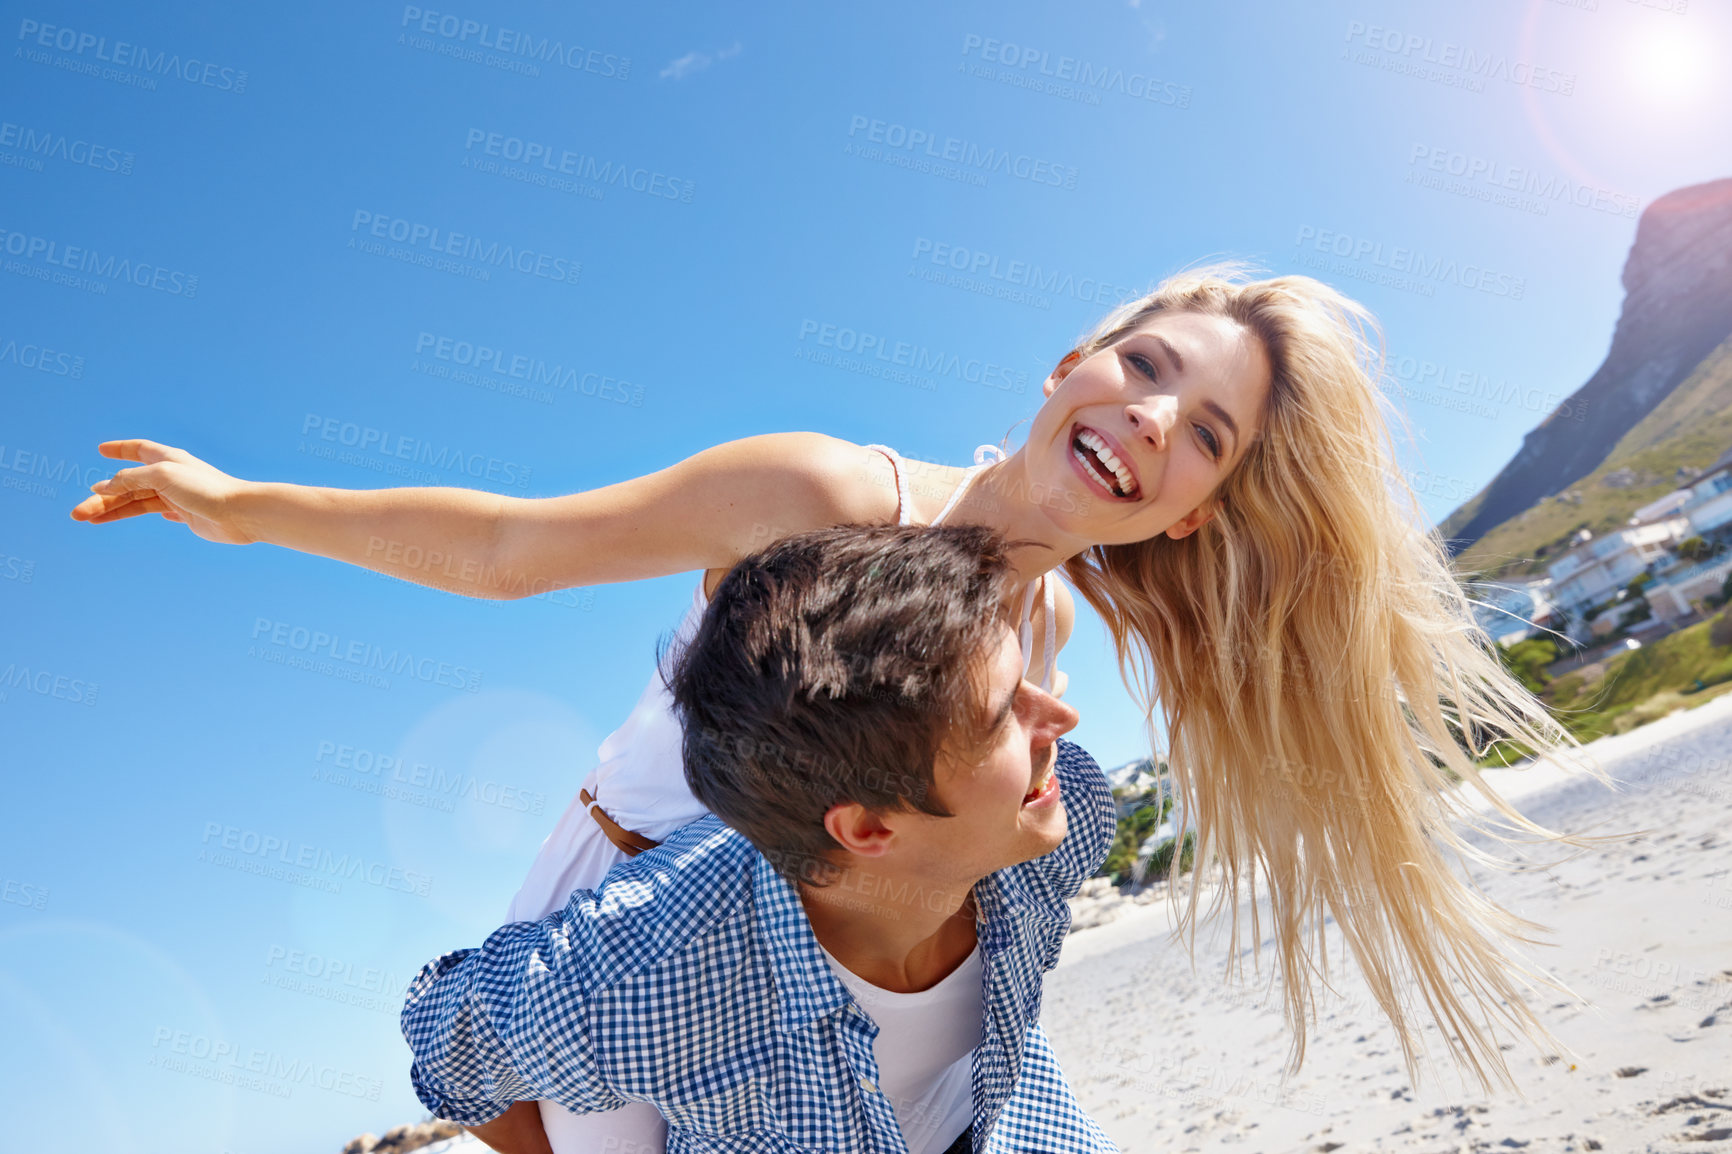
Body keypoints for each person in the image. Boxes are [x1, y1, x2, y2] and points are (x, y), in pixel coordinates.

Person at [71, 260, 1610, 1133]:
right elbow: (506, 551)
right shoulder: (826, 489)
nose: (1148, 418)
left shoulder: (1051, 650)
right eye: (1143, 363)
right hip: (641, 921)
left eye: (1203, 432)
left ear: (1194, 509)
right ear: (1074, 356)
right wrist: (245, 502)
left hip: (838, 970)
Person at [400, 522, 1120, 1153]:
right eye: (1003, 718)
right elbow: (446, 1042)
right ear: (866, 826)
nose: (1059, 719)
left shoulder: (1064, 811)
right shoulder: (657, 965)